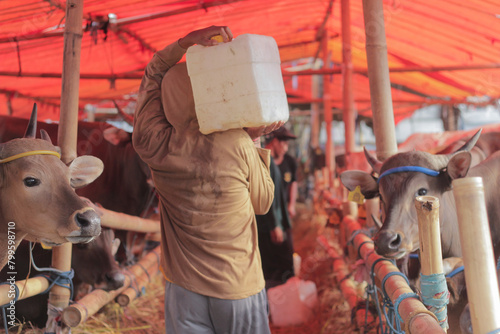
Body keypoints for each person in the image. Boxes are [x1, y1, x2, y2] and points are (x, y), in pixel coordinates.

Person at [132, 25, 283, 334]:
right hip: (237, 286)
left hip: (183, 289)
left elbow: (152, 76)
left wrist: (184, 42)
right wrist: (254, 139)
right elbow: (264, 202)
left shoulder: (154, 144)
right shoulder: (238, 143)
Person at [256, 155, 295, 289]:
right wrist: (274, 225)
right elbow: (266, 195)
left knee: (281, 266)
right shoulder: (263, 159)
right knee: (277, 267)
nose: (285, 147)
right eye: (283, 142)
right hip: (268, 225)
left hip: (274, 221)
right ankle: (276, 301)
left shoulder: (268, 159)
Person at [266, 126, 299, 219]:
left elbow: (293, 183)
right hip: (267, 213)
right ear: (275, 142)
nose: (286, 149)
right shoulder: (264, 163)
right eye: (284, 144)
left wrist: (291, 205)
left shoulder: (290, 162)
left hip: (283, 210)